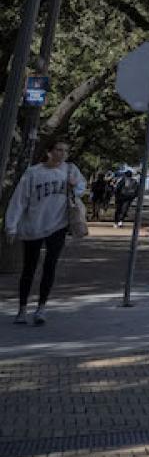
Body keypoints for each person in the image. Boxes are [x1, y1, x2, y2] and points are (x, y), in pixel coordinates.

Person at [5, 139, 86, 327]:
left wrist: (75, 186)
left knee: (50, 266)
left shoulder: (70, 170)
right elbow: (19, 200)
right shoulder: (33, 173)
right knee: (29, 268)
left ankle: (41, 308)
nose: (62, 154)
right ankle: (22, 308)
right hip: (33, 226)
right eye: (59, 149)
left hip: (58, 226)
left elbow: (81, 189)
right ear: (49, 152)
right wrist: (11, 226)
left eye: (66, 150)